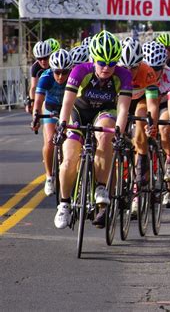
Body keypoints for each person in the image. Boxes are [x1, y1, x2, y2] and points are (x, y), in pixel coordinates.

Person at [54, 30, 132, 229]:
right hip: (79, 113)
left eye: (112, 63)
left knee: (107, 136)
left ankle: (100, 187)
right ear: (93, 59)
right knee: (70, 159)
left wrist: (119, 134)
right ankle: (64, 204)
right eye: (102, 62)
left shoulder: (123, 75)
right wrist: (62, 125)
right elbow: (67, 102)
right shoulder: (81, 71)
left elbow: (123, 109)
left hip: (104, 113)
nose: (106, 68)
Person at [119, 37, 160, 216]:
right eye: (126, 67)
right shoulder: (116, 71)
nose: (129, 71)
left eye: (133, 67)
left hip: (141, 101)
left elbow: (152, 104)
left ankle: (141, 164)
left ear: (140, 63)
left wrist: (152, 123)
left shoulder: (147, 71)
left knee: (141, 122)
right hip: (121, 101)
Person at [142, 41, 170, 207]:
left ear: (163, 65)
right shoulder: (137, 72)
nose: (153, 72)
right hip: (144, 103)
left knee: (166, 128)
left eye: (157, 68)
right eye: (150, 67)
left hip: (164, 104)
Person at [31, 49, 73, 196]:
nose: (61, 76)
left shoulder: (74, 77)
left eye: (64, 72)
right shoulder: (46, 76)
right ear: (52, 70)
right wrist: (36, 116)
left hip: (68, 109)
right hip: (51, 108)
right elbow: (38, 100)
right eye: (57, 72)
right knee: (49, 140)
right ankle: (49, 177)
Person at [26, 41, 53, 114]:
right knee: (35, 107)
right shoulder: (35, 67)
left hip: (55, 89)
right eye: (40, 59)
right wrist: (32, 101)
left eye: (46, 58)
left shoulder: (54, 64)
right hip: (42, 90)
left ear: (50, 55)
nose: (43, 61)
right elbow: (33, 87)